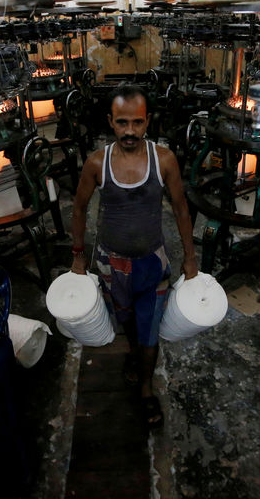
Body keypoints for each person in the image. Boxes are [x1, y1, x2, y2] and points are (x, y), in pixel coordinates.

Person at [71, 84, 198, 429]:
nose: (130, 131)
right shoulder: (98, 163)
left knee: (150, 330)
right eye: (122, 122)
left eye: (137, 123)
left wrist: (189, 256)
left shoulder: (164, 160)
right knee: (125, 318)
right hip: (111, 264)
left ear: (148, 122)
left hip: (152, 263)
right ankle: (134, 356)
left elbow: (181, 208)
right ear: (111, 122)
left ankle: (145, 387)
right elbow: (79, 209)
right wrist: (79, 255)